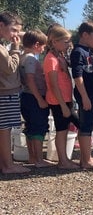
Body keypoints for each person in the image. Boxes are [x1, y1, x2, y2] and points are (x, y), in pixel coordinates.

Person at [70, 21, 93, 169]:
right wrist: (84, 97)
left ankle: (87, 157)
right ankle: (86, 161)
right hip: (86, 95)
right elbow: (77, 76)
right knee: (86, 127)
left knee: (89, 125)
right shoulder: (78, 52)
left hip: (92, 94)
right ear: (85, 35)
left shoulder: (88, 51)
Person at [44, 25, 80, 169]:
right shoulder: (51, 59)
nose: (68, 44)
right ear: (54, 42)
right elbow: (53, 85)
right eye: (65, 41)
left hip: (66, 99)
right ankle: (63, 161)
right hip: (58, 101)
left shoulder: (60, 56)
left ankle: (64, 159)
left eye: (69, 41)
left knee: (64, 129)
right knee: (63, 129)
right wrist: (64, 106)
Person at [0, 12, 30, 174]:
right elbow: (10, 68)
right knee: (4, 130)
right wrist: (16, 49)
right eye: (13, 30)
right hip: (5, 93)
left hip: (5, 92)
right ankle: (8, 166)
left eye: (18, 31)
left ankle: (3, 163)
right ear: (1, 26)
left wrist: (17, 36)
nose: (16, 35)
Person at [19, 29, 54, 167]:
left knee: (30, 127)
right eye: (43, 46)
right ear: (37, 45)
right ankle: (39, 159)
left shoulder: (21, 56)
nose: (44, 48)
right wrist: (40, 99)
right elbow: (30, 79)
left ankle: (33, 157)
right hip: (35, 97)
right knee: (39, 127)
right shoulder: (31, 59)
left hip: (25, 97)